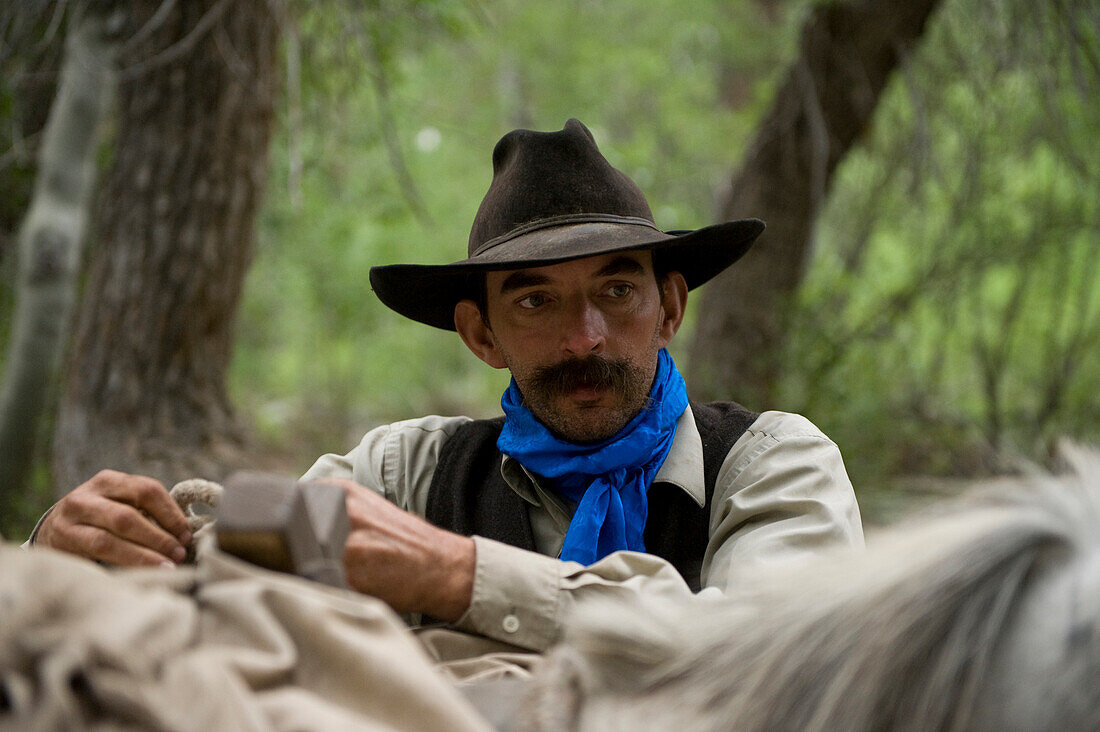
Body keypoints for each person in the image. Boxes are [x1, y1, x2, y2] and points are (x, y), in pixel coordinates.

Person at [29, 119, 863, 653]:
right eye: (536, 300)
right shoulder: (399, 476)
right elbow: (220, 572)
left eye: (618, 290)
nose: (586, 337)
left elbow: (781, 655)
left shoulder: (770, 465)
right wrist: (72, 557)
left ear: (670, 306)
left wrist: (461, 578)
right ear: (481, 335)